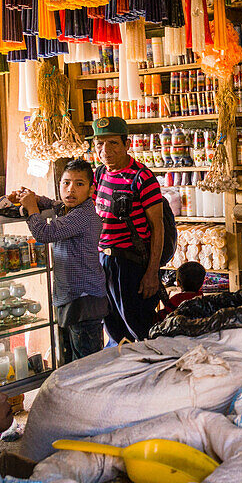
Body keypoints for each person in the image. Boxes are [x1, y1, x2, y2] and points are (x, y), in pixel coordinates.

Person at [9, 159, 108, 364]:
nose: (71, 189)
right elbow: (52, 204)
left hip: (84, 299)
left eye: (79, 184)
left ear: (91, 189)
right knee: (70, 362)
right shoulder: (66, 209)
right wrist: (32, 198)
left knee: (86, 365)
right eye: (66, 183)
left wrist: (31, 209)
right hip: (71, 297)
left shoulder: (82, 215)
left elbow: (44, 233)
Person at [91, 117, 165, 343]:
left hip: (131, 265)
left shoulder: (142, 177)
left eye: (113, 143)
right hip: (104, 262)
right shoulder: (100, 174)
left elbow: (157, 227)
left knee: (139, 329)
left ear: (127, 144)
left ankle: (150, 372)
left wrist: (152, 273)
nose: (105, 150)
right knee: (113, 328)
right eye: (99, 144)